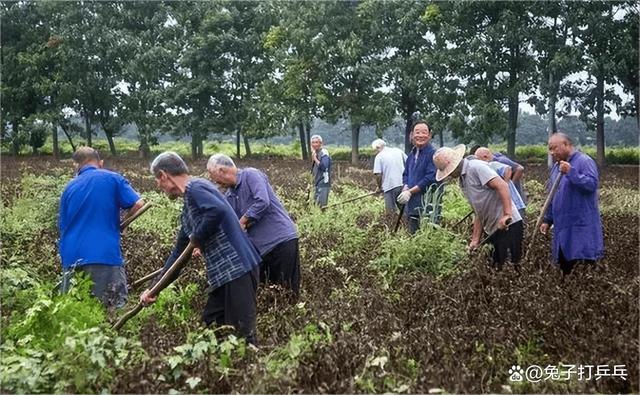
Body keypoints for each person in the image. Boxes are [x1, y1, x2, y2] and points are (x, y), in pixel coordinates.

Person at [141, 152, 261, 344]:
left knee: (242, 336)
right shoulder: (189, 207)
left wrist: (197, 237)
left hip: (238, 269)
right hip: (223, 276)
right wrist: (153, 289)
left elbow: (217, 211)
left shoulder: (196, 187)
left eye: (157, 179)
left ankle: (254, 370)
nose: (158, 185)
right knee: (211, 326)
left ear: (164, 175)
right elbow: (178, 256)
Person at [58, 146, 144, 308]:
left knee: (74, 312)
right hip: (102, 254)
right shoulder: (112, 179)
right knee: (111, 309)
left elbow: (62, 226)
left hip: (70, 256)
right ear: (100, 163)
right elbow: (138, 204)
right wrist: (122, 223)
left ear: (76, 166)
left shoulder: (68, 188)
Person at [207, 153, 300, 298]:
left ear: (221, 171)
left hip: (282, 242)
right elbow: (227, 223)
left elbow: (262, 201)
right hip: (260, 251)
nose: (215, 183)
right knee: (268, 293)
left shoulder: (251, 175)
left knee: (287, 291)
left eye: (213, 177)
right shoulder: (229, 195)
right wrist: (204, 243)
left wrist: (243, 221)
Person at [433, 144, 524, 270]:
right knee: (494, 270)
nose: (448, 175)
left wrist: (507, 214)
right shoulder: (462, 180)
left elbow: (502, 185)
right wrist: (475, 240)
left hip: (509, 225)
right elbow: (478, 211)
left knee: (510, 270)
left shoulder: (476, 167)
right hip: (492, 229)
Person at [540, 133, 604, 277]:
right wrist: (547, 220)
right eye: (549, 149)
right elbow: (554, 195)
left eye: (554, 148)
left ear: (566, 145)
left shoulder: (584, 161)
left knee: (582, 276)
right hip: (562, 232)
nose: (551, 152)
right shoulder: (556, 168)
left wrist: (571, 172)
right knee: (565, 276)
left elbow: (591, 185)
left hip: (581, 231)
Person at [397, 121, 439, 234]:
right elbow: (406, 174)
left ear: (430, 135)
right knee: (413, 236)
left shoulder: (434, 155)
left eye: (424, 132)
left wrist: (410, 191)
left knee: (427, 236)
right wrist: (405, 187)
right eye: (417, 132)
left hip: (427, 207)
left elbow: (430, 178)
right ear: (411, 135)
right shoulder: (411, 155)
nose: (420, 135)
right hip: (412, 206)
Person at [474, 147, 526, 219]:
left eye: (479, 160)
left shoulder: (499, 161)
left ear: (485, 157)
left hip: (514, 197)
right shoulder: (491, 164)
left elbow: (518, 169)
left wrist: (506, 186)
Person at [371, 138, 407, 214]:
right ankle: (407, 224)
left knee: (390, 212)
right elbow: (409, 163)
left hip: (390, 186)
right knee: (404, 210)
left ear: (378, 147)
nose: (375, 152)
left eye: (375, 150)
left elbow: (378, 175)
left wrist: (380, 187)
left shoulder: (379, 156)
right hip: (403, 184)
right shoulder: (398, 151)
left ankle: (392, 224)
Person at [310, 134, 331, 207]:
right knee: (315, 205)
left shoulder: (324, 153)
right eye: (313, 142)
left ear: (321, 143)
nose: (314, 144)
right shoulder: (315, 153)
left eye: (316, 142)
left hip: (323, 183)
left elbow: (324, 167)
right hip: (316, 183)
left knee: (322, 206)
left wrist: (315, 159)